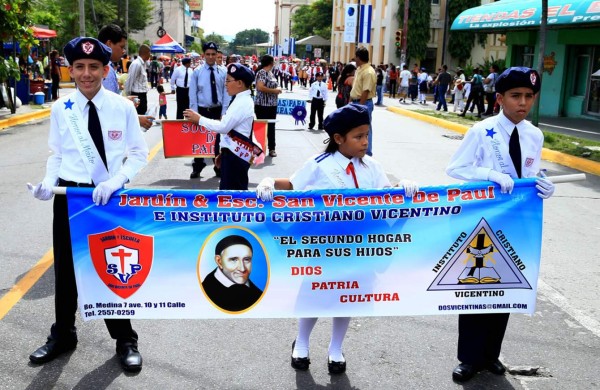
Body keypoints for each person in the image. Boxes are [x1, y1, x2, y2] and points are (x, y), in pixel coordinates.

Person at [255, 103, 419, 374]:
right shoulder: (320, 165)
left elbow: (388, 195)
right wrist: (269, 182)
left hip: (360, 246)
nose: (365, 142)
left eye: (367, 135)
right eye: (358, 136)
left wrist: (403, 188)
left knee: (349, 294)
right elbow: (292, 185)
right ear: (338, 138)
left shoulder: (372, 167)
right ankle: (302, 343)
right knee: (315, 292)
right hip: (324, 244)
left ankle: (335, 348)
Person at [27, 37, 149, 372]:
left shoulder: (122, 107)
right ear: (70, 69)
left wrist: (115, 181)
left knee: (112, 270)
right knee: (66, 270)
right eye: (79, 67)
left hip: (108, 198)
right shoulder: (60, 108)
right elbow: (57, 154)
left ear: (106, 69)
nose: (86, 74)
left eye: (93, 67)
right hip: (70, 197)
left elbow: (138, 155)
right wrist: (48, 185)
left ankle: (125, 339)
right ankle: (63, 334)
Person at [446, 67, 555, 383]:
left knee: (505, 287)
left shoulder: (534, 134)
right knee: (476, 286)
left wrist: (544, 185)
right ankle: (468, 358)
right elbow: (456, 168)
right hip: (481, 219)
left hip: (517, 222)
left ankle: (491, 354)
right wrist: (490, 175)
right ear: (500, 98)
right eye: (515, 96)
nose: (523, 102)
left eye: (528, 96)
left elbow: (531, 172)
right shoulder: (482, 131)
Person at [184, 63, 255, 190]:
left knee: (232, 196)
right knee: (230, 191)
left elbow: (224, 127)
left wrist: (200, 119)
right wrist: (224, 152)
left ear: (239, 83)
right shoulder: (240, 100)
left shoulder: (242, 102)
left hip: (236, 156)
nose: (225, 84)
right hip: (233, 153)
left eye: (228, 80)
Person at [98, 24, 152, 130]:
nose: (123, 51)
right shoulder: (105, 69)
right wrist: (135, 118)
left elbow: (107, 98)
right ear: (109, 44)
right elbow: (107, 107)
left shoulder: (105, 66)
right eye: (121, 47)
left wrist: (123, 100)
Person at [188, 42, 231, 179]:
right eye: (208, 54)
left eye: (213, 54)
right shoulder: (197, 72)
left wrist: (224, 113)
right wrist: (194, 113)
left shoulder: (223, 72)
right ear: (203, 55)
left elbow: (226, 94)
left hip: (217, 110)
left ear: (218, 55)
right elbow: (192, 94)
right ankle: (198, 166)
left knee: (217, 140)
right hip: (202, 110)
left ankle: (218, 166)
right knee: (200, 139)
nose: (211, 57)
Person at [202, 235, 263, 312]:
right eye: (234, 260)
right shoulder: (204, 291)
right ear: (219, 261)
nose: (242, 268)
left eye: (247, 259)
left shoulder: (259, 294)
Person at [349, 47, 376, 156]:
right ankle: (356, 150)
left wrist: (360, 107)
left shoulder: (369, 72)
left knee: (365, 128)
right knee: (355, 128)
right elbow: (356, 88)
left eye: (356, 57)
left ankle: (367, 153)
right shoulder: (359, 69)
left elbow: (366, 91)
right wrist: (350, 101)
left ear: (359, 57)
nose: (355, 59)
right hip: (355, 102)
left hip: (363, 103)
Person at [254, 54, 282, 158]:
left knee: (271, 127)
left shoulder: (271, 73)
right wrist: (274, 91)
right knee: (262, 127)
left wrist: (277, 89)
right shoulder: (262, 73)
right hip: (263, 105)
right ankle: (260, 148)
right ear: (270, 62)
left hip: (272, 104)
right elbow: (260, 87)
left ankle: (272, 148)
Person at [125, 44, 151, 116]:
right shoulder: (137, 64)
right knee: (138, 116)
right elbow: (130, 80)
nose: (150, 55)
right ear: (146, 53)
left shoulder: (143, 63)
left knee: (143, 113)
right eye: (149, 53)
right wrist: (128, 95)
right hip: (137, 94)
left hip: (142, 94)